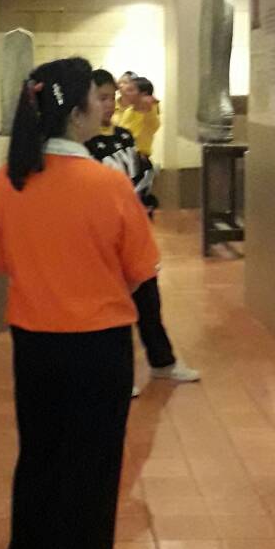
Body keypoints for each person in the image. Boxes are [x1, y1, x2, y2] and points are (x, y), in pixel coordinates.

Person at [0, 56, 160, 549]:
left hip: (32, 343)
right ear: (77, 110)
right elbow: (141, 269)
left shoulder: (9, 180)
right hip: (97, 347)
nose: (103, 106)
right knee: (90, 478)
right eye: (96, 96)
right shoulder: (107, 184)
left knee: (38, 465)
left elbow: (5, 262)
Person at [87, 69, 200, 393]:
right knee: (113, 308)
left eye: (111, 97)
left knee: (148, 300)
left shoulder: (124, 136)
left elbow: (136, 178)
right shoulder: (84, 145)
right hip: (105, 237)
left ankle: (163, 362)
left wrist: (142, 205)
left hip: (133, 233)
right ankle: (116, 375)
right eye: (101, 98)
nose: (108, 104)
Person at [114, 74, 161, 159]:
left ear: (143, 94)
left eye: (130, 90)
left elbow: (154, 120)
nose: (125, 93)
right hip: (123, 156)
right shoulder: (129, 110)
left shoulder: (150, 111)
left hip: (139, 158)